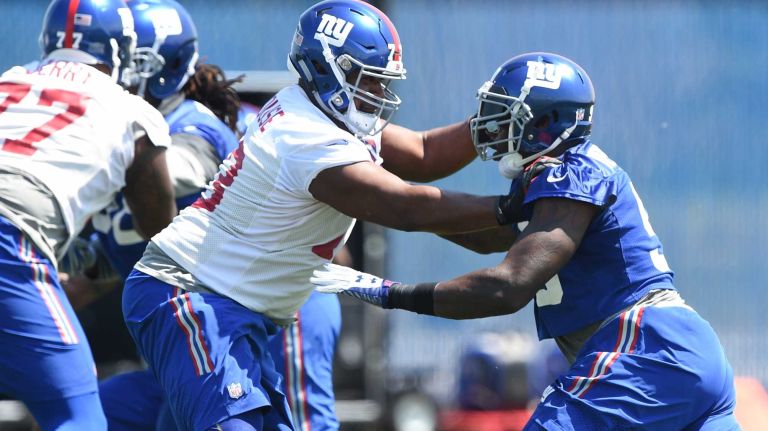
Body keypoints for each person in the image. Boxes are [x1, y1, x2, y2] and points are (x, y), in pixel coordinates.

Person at [120, 0, 525, 429]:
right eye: (367, 79)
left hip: (236, 305)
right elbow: (406, 206)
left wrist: (489, 124)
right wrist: (511, 207)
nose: (378, 93)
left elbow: (423, 154)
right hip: (191, 294)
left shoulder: (320, 113)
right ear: (326, 67)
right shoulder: (304, 134)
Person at [310, 52, 742, 431]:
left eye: (506, 114)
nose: (493, 127)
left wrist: (391, 294)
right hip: (674, 356)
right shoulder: (553, 180)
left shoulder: (570, 171)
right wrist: (392, 200)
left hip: (645, 349)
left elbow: (507, 286)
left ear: (546, 121)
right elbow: (487, 239)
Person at [53, 1, 240, 430]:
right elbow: (115, 252)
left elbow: (160, 177)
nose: (106, 71)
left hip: (221, 348)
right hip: (171, 363)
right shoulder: (122, 136)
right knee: (76, 415)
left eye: (120, 57)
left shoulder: (194, 129)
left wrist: (55, 151)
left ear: (160, 66)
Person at [0, 0, 176, 429]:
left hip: (16, 234)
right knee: (76, 412)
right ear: (119, 51)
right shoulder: (133, 112)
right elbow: (162, 236)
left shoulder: (9, 79)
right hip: (10, 243)